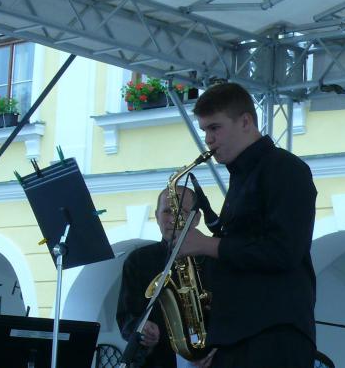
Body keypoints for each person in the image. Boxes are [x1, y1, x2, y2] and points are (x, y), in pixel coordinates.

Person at [178, 82, 317, 368]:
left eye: (215, 128)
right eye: (204, 130)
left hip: (273, 336)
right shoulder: (241, 177)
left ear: (245, 122)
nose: (208, 140)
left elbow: (284, 251)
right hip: (243, 336)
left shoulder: (285, 169)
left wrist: (208, 245)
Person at [116, 186, 210, 368]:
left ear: (197, 218)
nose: (173, 218)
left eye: (182, 211)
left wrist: (218, 349)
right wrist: (142, 328)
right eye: (167, 211)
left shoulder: (213, 259)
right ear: (157, 216)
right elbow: (125, 317)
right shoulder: (138, 261)